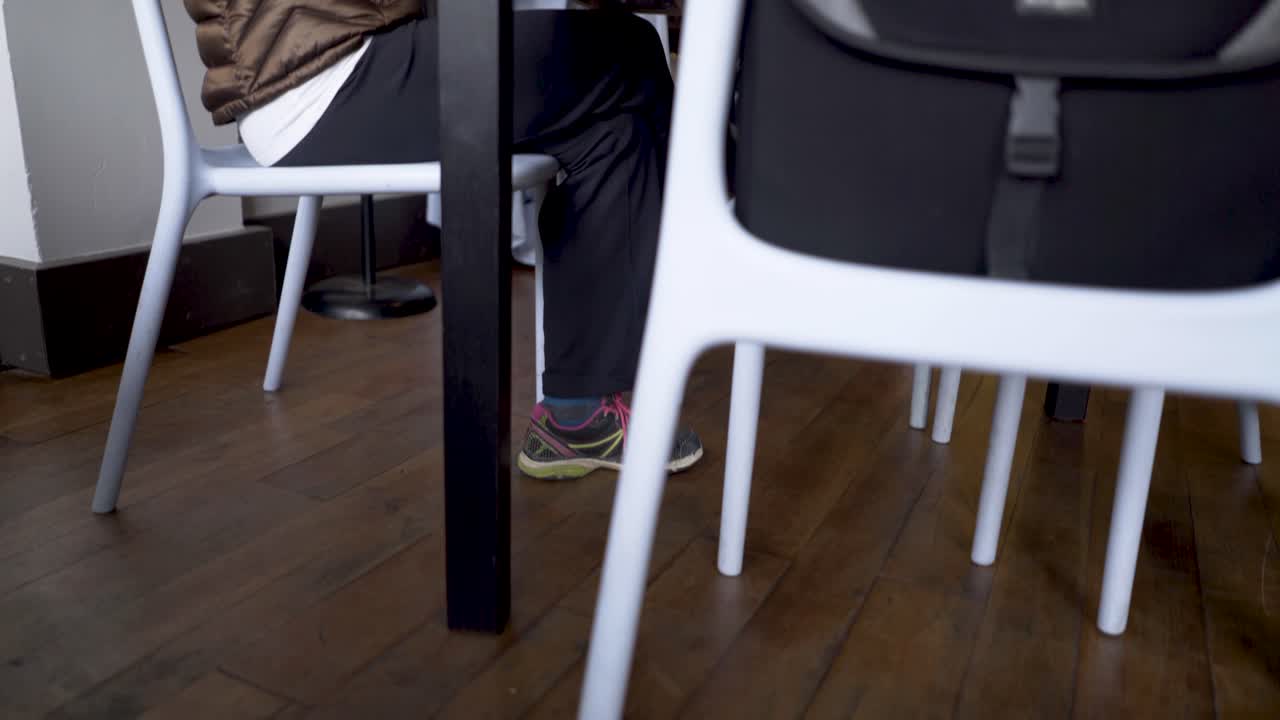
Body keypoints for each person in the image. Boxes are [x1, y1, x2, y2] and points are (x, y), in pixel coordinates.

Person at [182, 0, 702, 478]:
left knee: (612, 129)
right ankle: (720, 264)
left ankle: (579, 409)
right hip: (323, 77)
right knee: (629, 48)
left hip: (309, 69)